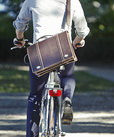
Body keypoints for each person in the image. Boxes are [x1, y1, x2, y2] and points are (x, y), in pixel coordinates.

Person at [12, 0, 90, 136]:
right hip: (63, 49)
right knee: (67, 76)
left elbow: (20, 24)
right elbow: (82, 30)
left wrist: (20, 39)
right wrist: (77, 42)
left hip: (40, 52)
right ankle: (67, 99)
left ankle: (32, 135)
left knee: (35, 95)